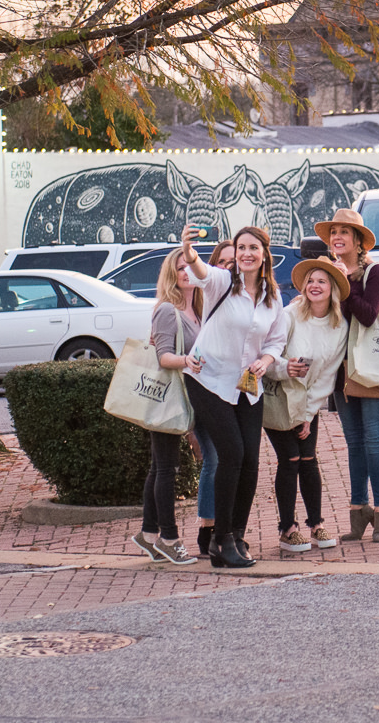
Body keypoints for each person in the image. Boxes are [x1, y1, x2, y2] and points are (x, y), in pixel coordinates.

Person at [180, 225, 285, 568]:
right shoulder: (223, 282)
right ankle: (220, 538)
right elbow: (200, 270)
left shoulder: (272, 294)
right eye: (241, 248)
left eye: (253, 247)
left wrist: (266, 360)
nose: (246, 253)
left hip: (246, 385)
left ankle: (236, 536)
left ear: (265, 254)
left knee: (251, 462)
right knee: (232, 453)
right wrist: (188, 249)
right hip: (208, 378)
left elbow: (276, 340)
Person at [264, 257, 350, 553]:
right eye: (310, 280)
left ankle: (316, 525)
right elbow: (268, 354)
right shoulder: (289, 316)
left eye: (322, 281)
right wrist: (284, 368)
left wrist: (308, 415)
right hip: (278, 397)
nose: (315, 286)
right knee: (289, 459)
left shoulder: (340, 326)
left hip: (307, 405)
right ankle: (287, 529)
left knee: (309, 459)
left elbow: (327, 375)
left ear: (333, 289)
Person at [319, 208, 379, 544]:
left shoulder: (373, 272)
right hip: (339, 370)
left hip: (371, 365)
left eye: (344, 232)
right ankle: (357, 510)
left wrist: (344, 283)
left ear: (358, 241)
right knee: (353, 443)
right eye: (333, 231)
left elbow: (367, 315)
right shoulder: (326, 271)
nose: (337, 237)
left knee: (375, 438)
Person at [132, 248, 202, 566]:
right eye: (181, 267)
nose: (187, 271)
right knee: (167, 468)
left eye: (191, 266)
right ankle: (169, 538)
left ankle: (148, 535)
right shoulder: (166, 310)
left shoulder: (196, 309)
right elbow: (162, 357)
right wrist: (187, 360)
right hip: (168, 398)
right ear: (172, 274)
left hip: (185, 396)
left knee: (159, 466)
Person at [187, 238, 235, 557]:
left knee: (223, 459)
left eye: (237, 261)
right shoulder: (205, 293)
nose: (231, 266)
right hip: (202, 385)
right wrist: (189, 250)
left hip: (229, 389)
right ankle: (208, 527)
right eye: (225, 261)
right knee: (214, 458)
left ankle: (220, 528)